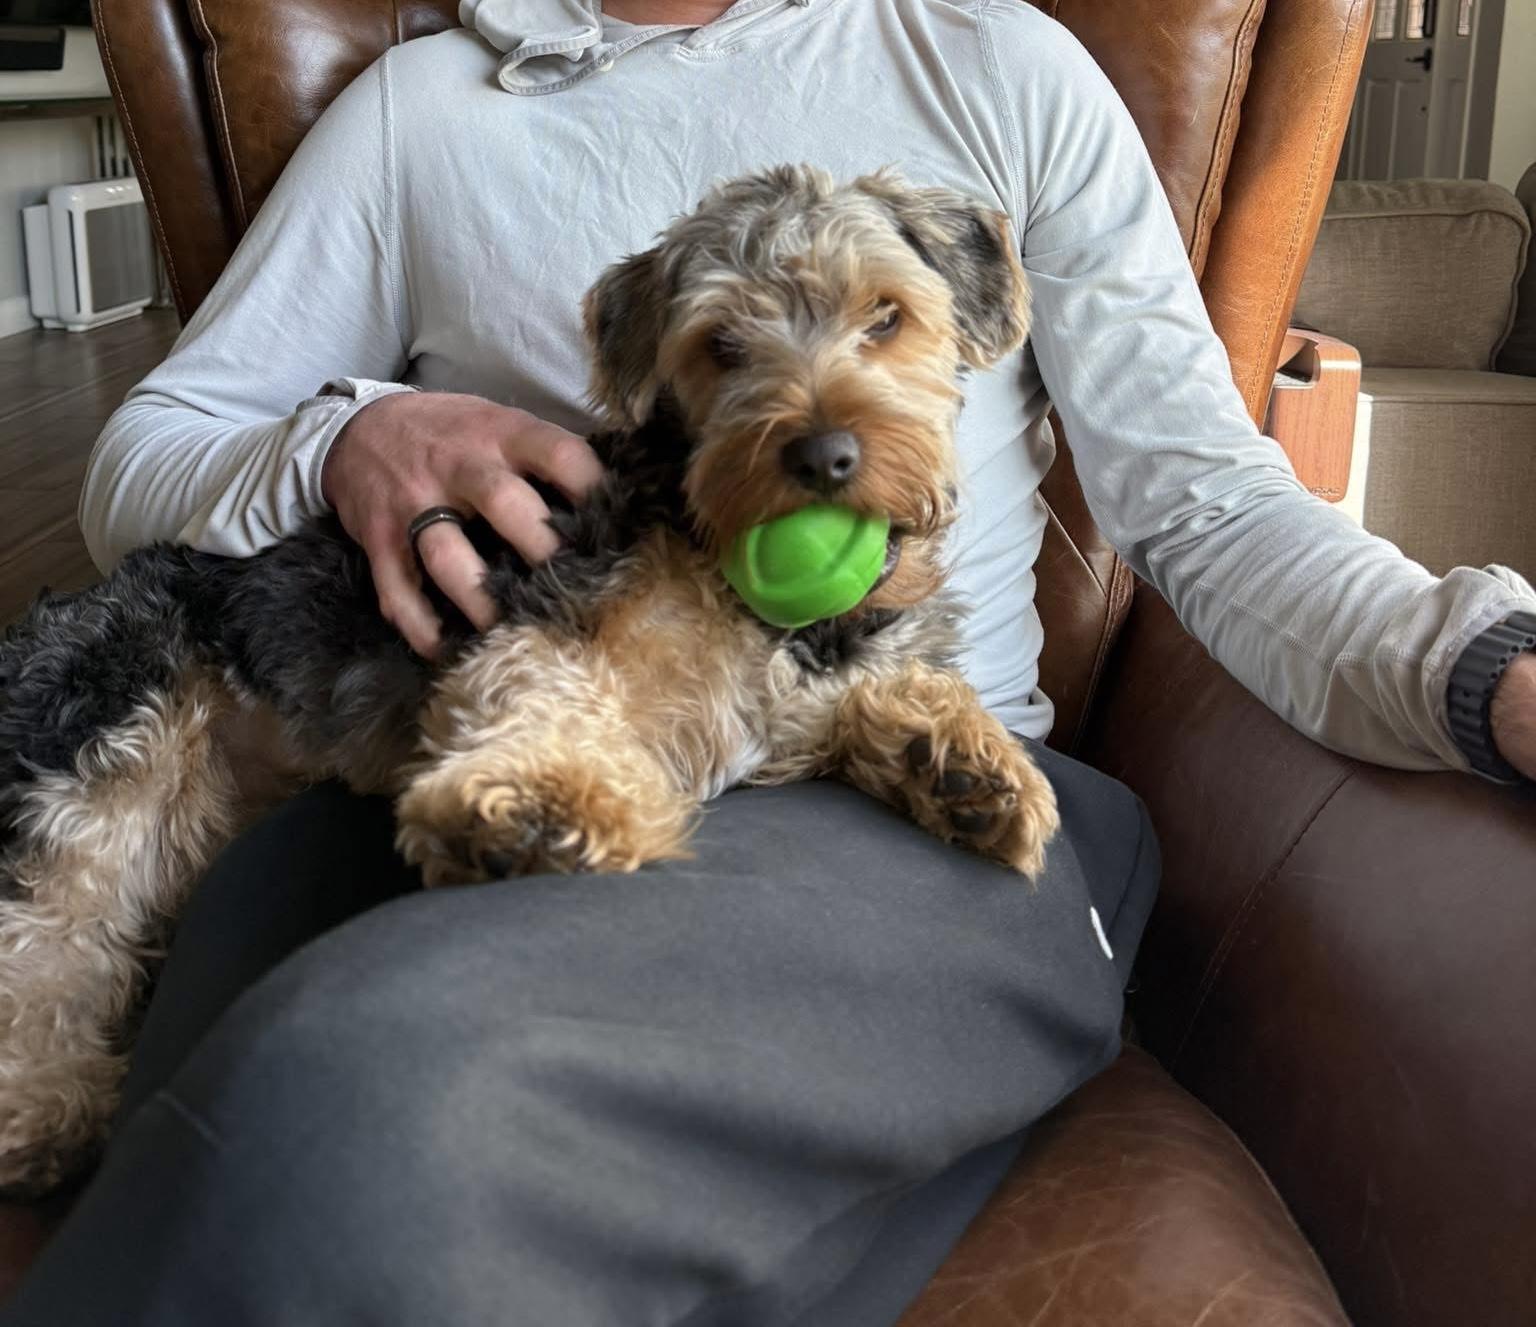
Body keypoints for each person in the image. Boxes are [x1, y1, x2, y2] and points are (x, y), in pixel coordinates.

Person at [6, 1, 1534, 1323]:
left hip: (901, 806)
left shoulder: (998, 66)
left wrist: (1480, 668)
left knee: (352, 1105)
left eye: (883, 325)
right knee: (198, 1093)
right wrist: (348, 434)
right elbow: (144, 459)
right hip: (441, 751)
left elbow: (1208, 500)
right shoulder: (419, 114)